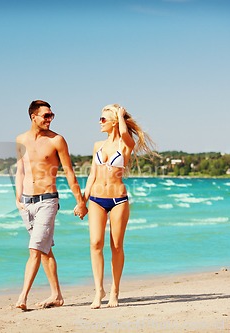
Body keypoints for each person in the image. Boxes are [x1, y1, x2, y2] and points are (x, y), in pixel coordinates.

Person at [15, 100, 88, 311]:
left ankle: (22, 297)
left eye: (51, 115)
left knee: (35, 249)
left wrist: (80, 202)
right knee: (45, 250)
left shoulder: (57, 140)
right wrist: (17, 197)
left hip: (48, 200)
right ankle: (57, 295)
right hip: (27, 203)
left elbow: (69, 172)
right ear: (33, 117)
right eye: (46, 115)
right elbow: (20, 170)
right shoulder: (20, 140)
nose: (49, 119)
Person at [82, 103, 157, 309]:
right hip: (96, 199)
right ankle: (99, 291)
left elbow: (124, 133)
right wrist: (83, 199)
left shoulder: (126, 144)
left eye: (103, 119)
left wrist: (122, 115)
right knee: (95, 244)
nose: (100, 122)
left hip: (118, 200)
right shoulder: (98, 145)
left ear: (115, 121)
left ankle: (115, 290)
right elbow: (92, 174)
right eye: (100, 118)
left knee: (116, 246)